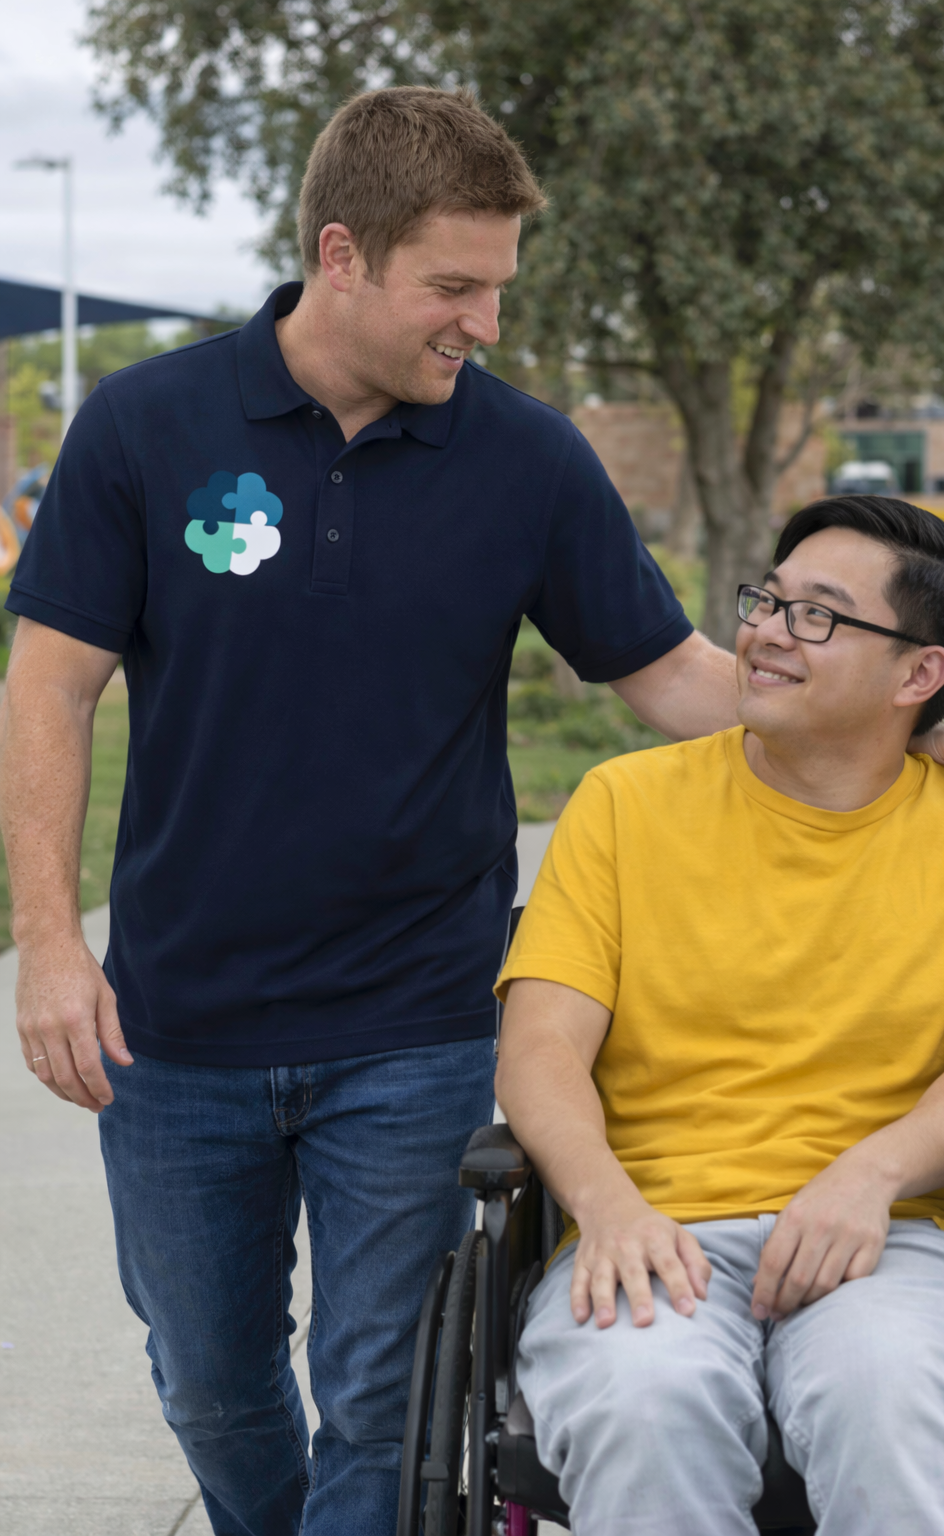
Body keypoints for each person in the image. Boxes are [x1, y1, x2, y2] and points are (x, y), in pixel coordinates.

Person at [0, 88, 742, 1536]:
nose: (488, 326)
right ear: (342, 254)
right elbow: (50, 687)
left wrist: (885, 710)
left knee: (385, 1399)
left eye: (502, 290)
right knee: (209, 1382)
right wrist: (47, 941)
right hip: (176, 1020)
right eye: (455, 289)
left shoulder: (528, 460)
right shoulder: (147, 425)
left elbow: (668, 678)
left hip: (418, 1020)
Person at [496, 495, 944, 1536]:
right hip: (647, 1225)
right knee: (646, 1403)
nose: (766, 632)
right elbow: (539, 1047)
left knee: (890, 1403)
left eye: (818, 616)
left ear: (917, 675)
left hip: (880, 1241)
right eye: (768, 601)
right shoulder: (623, 804)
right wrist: (604, 1206)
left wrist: (870, 1174)